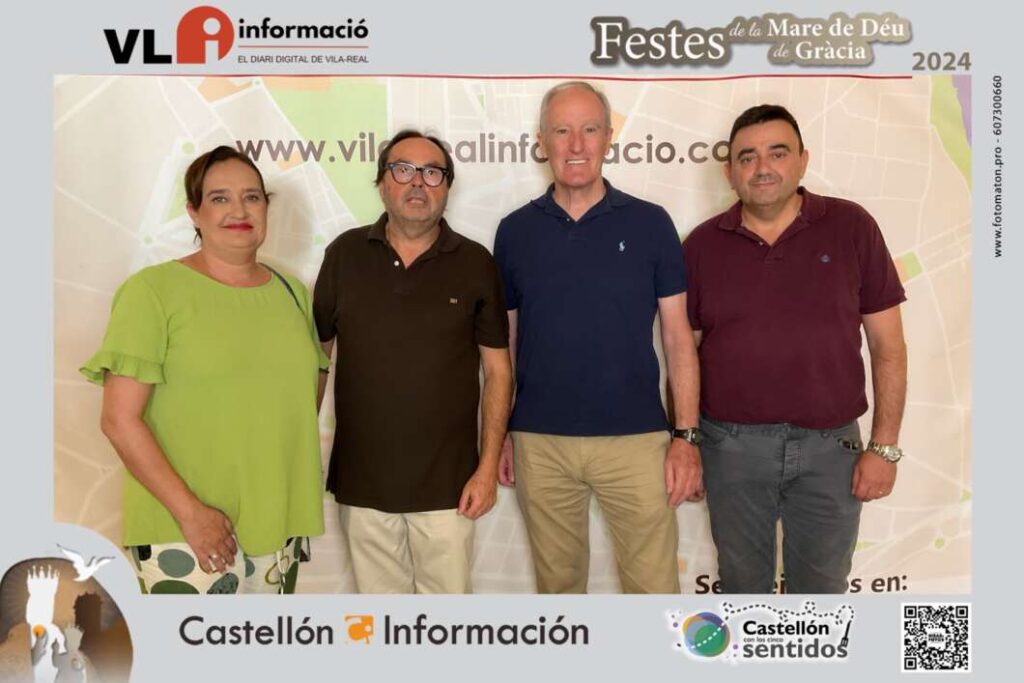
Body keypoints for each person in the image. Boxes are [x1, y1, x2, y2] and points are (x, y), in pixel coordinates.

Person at [81, 146, 327, 594]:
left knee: (268, 644)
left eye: (252, 197)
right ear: (194, 211)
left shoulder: (292, 293)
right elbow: (118, 420)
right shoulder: (152, 292)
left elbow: (305, 391)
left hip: (278, 526)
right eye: (219, 198)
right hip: (185, 533)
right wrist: (191, 513)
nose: (239, 210)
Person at [683, 104, 908, 593]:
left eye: (777, 153)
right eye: (747, 157)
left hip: (831, 451)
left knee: (822, 593)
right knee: (742, 591)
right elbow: (684, 358)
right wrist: (688, 445)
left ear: (803, 161)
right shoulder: (700, 246)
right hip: (731, 449)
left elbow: (888, 347)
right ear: (729, 172)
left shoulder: (852, 227)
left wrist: (884, 448)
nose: (762, 167)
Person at [493, 82, 702, 594]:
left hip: (638, 442)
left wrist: (686, 438)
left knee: (654, 593)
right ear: (542, 140)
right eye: (562, 130)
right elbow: (505, 345)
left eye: (589, 129)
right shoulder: (514, 231)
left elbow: (678, 339)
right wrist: (501, 434)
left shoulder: (651, 224)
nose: (576, 145)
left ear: (609, 137)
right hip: (540, 443)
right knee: (559, 595)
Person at [313, 130, 512, 594]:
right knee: (382, 621)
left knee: (445, 625)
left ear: (448, 187)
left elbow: (499, 372)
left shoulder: (475, 263)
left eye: (432, 172)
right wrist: (299, 449)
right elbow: (317, 359)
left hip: (449, 486)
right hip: (362, 482)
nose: (418, 182)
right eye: (403, 170)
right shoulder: (343, 255)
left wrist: (486, 469)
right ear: (382, 183)